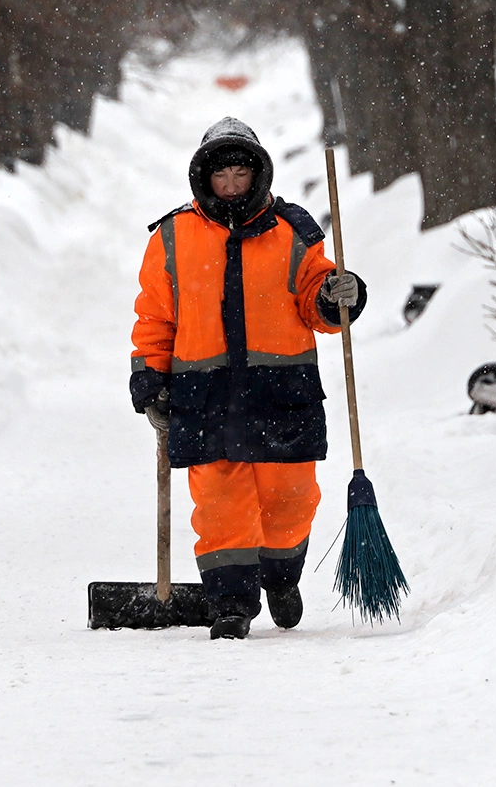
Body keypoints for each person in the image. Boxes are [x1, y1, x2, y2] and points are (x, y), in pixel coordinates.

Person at [130, 117, 367, 639]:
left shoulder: (292, 232)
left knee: (291, 499)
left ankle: (281, 577)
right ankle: (230, 604)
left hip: (281, 392)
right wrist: (149, 376)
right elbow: (154, 318)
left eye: (241, 173)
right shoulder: (172, 238)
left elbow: (316, 298)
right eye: (223, 176)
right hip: (203, 395)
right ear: (204, 179)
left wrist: (335, 296)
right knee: (219, 504)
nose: (232, 185)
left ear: (257, 173)